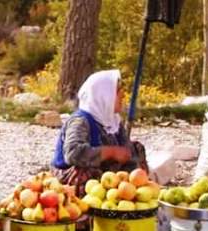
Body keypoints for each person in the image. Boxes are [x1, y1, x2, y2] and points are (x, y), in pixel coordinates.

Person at [51, 69, 147, 197]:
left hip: (106, 176)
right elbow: (73, 154)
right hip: (72, 175)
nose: (123, 95)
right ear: (104, 95)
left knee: (136, 149)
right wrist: (110, 152)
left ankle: (131, 192)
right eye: (117, 91)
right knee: (85, 171)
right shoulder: (80, 121)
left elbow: (125, 150)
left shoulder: (113, 121)